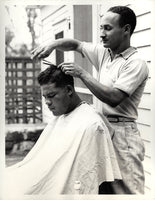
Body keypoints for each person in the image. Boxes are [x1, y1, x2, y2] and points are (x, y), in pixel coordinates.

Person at [31, 6, 149, 194]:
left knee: (127, 191)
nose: (101, 34)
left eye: (107, 28)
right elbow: (75, 44)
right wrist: (52, 45)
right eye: (101, 28)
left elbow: (113, 97)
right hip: (101, 130)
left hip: (122, 135)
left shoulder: (136, 63)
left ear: (126, 30)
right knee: (102, 188)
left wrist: (82, 74)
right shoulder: (104, 53)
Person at [3, 64, 121, 197]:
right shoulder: (60, 117)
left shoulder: (91, 124)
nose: (47, 102)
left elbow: (89, 175)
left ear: (69, 90)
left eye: (51, 95)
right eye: (45, 97)